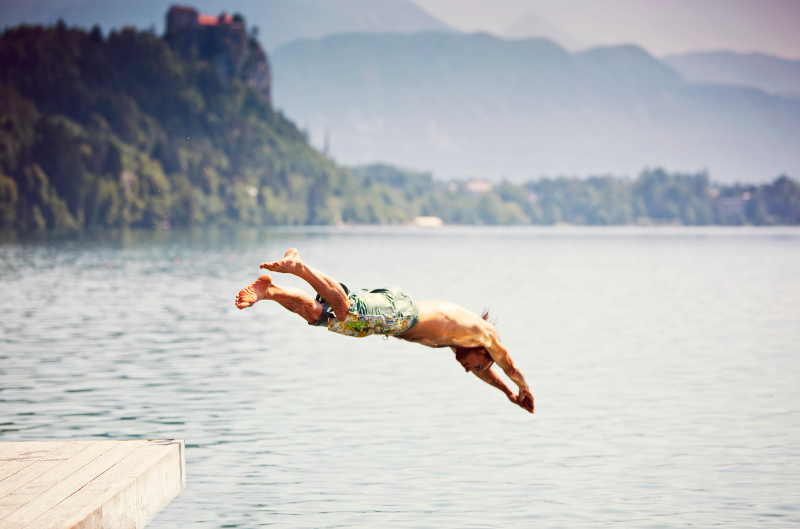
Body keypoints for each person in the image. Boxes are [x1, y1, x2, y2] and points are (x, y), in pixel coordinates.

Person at [235, 249, 534, 413]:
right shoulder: (483, 333)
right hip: (401, 313)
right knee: (345, 308)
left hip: (390, 322)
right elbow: (509, 364)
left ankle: (270, 290)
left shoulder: (461, 342)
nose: (470, 370)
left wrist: (507, 393)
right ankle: (299, 267)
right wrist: (523, 388)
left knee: (317, 315)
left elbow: (487, 372)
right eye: (478, 364)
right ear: (483, 349)